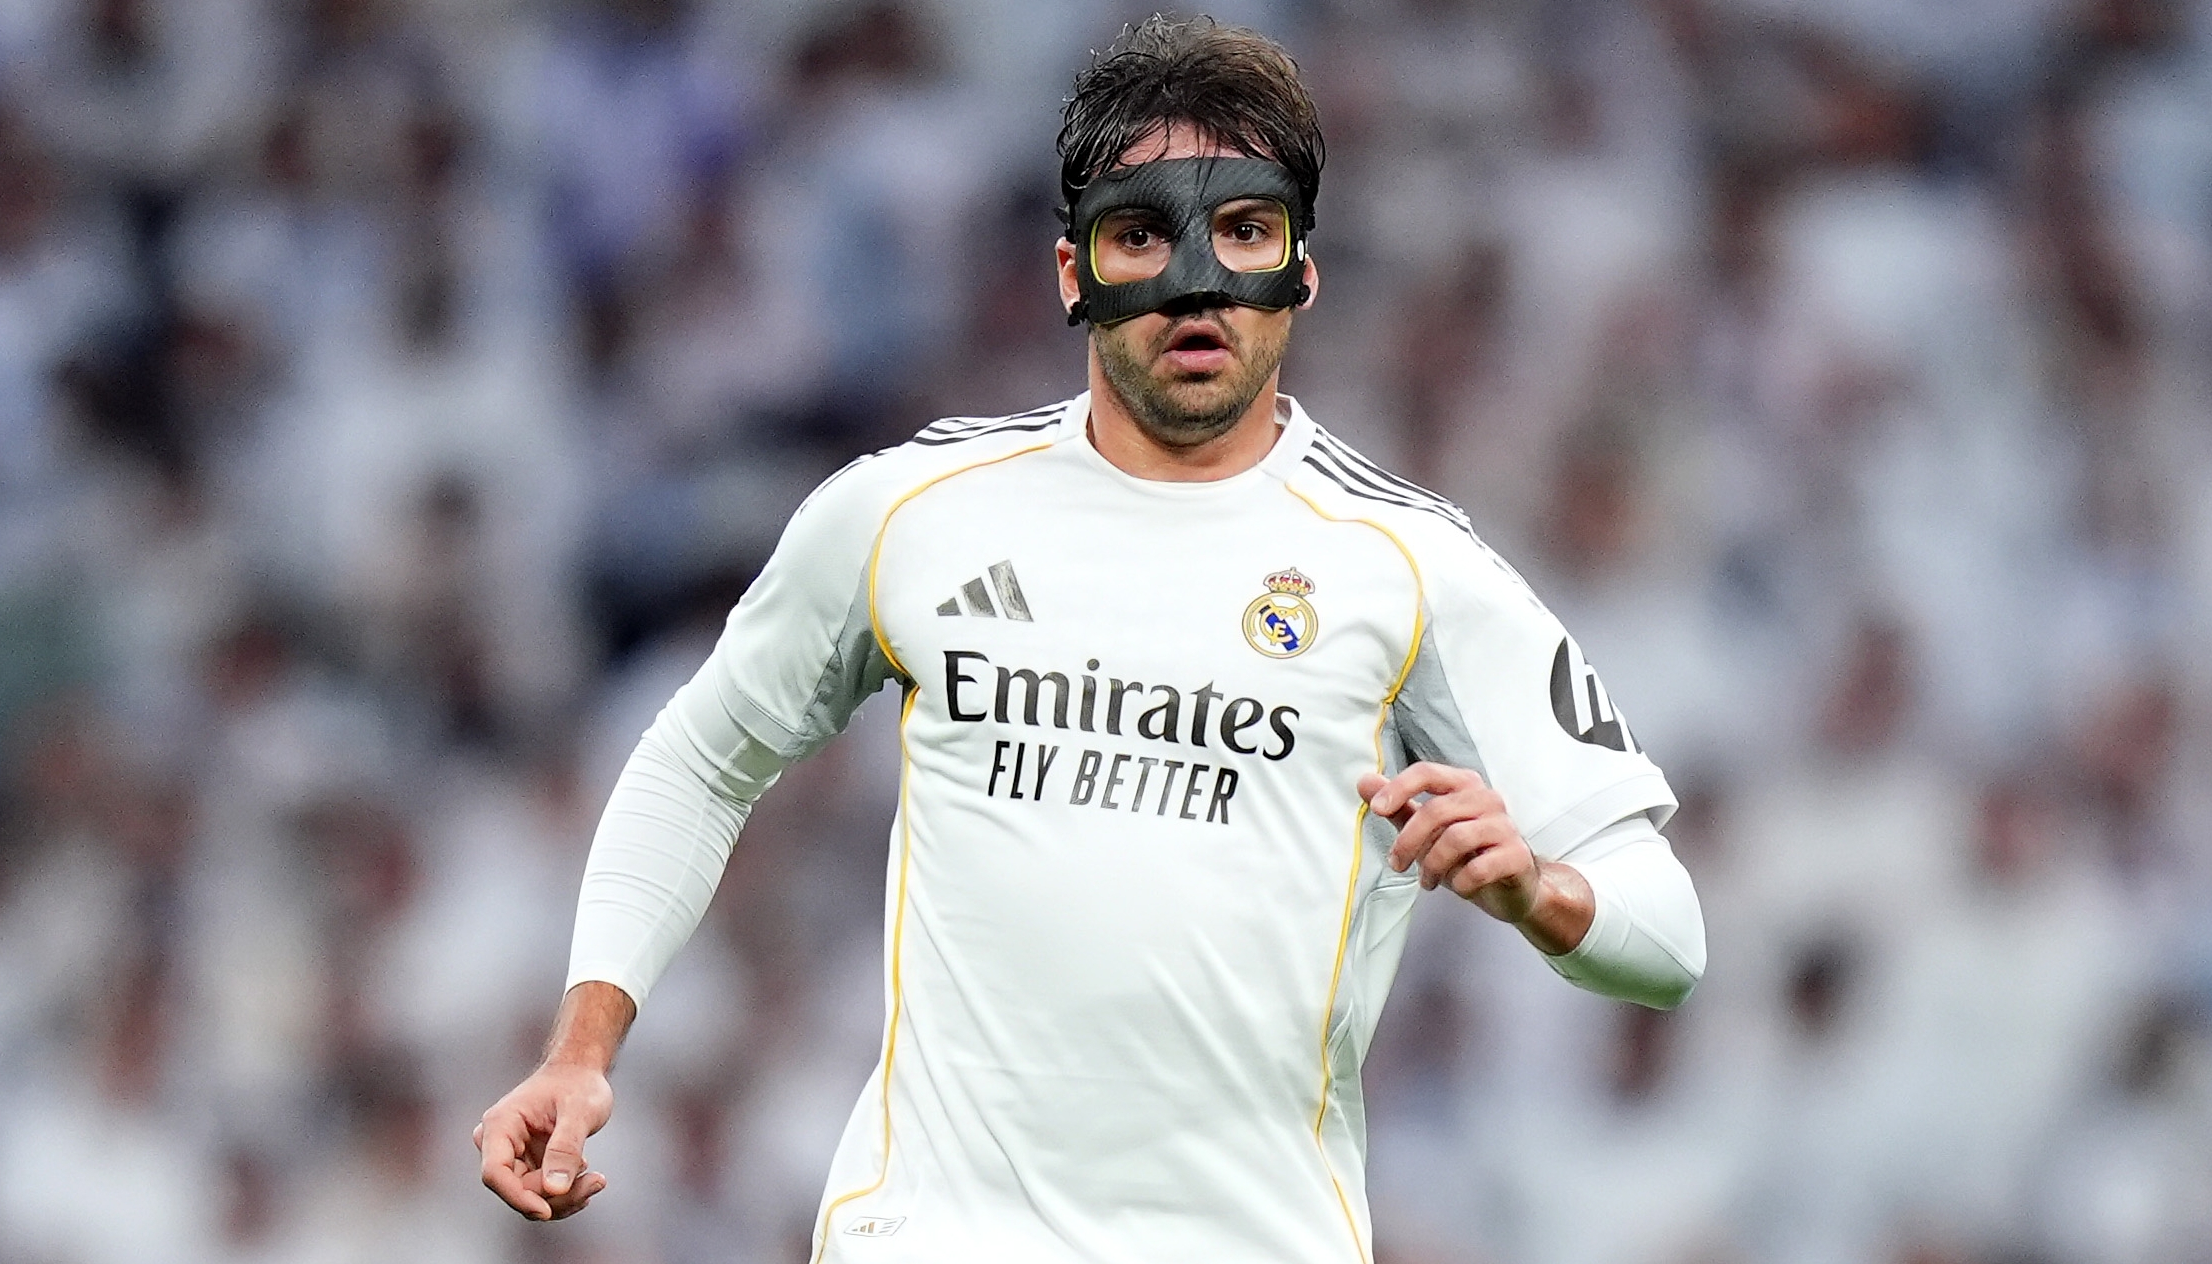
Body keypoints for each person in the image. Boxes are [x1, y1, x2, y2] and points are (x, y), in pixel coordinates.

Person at [476, 16, 1705, 1262]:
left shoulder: (1414, 569)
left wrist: (1539, 890)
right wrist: (583, 1050)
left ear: (1303, 272)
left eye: (1244, 232)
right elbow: (700, 756)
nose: (1197, 282)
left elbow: (1667, 935)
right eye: (1142, 234)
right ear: (1072, 272)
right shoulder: (904, 512)